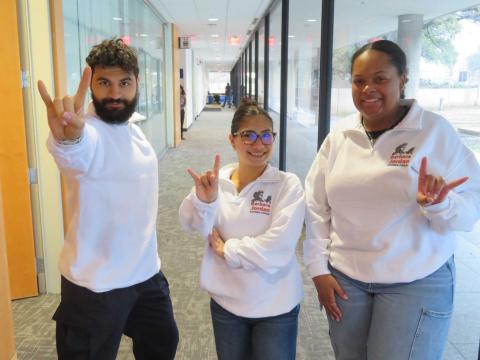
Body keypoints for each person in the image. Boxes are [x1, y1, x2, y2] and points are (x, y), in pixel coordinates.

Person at [303, 39, 480, 360]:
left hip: (416, 279)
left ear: (403, 79)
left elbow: (469, 214)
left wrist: (440, 204)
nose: (368, 88)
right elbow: (316, 206)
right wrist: (317, 268)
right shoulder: (340, 135)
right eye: (359, 80)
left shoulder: (434, 132)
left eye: (380, 78)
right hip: (346, 279)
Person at [37, 38, 179, 360]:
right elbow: (76, 154)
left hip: (145, 275)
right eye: (104, 83)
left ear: (137, 83)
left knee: (163, 343)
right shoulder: (90, 132)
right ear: (92, 87)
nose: (115, 94)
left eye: (124, 83)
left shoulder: (134, 129)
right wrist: (68, 139)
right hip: (94, 286)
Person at [179, 100, 305, 360]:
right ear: (232, 140)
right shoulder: (218, 182)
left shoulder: (287, 185)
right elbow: (192, 224)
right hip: (227, 303)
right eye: (248, 135)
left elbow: (278, 247)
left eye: (266, 135)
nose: (259, 144)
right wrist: (206, 200)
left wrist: (229, 250)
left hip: (275, 306)